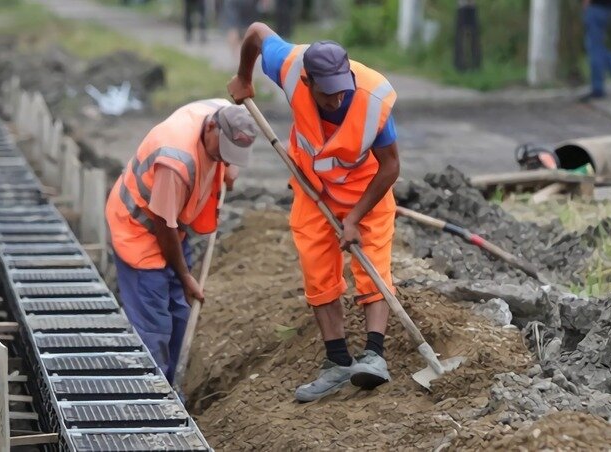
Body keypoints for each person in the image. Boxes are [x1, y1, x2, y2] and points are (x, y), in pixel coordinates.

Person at [227, 22, 400, 402]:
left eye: (342, 92)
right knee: (317, 269)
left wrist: (354, 218)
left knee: (373, 265)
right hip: (313, 188)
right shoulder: (290, 65)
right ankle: (337, 361)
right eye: (327, 95)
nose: (336, 101)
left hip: (366, 191)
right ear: (308, 82)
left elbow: (390, 167)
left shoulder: (373, 100)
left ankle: (374, 356)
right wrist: (244, 77)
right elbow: (256, 32)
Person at [105, 99, 257, 383]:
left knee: (180, 313)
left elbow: (237, 108)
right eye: (223, 151)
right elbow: (165, 226)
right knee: (154, 326)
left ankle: (172, 384)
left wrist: (229, 166)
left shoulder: (222, 112)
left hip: (173, 225)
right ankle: (151, 392)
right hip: (139, 230)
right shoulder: (174, 162)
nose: (223, 158)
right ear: (211, 127)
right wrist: (185, 276)